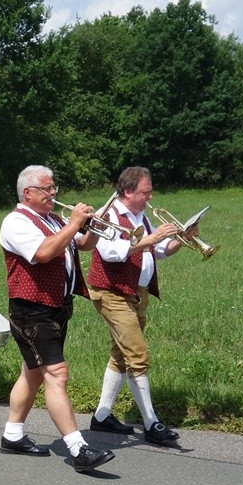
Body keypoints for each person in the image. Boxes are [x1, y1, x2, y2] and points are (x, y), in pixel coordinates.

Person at [0, 165, 114, 473]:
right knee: (56, 374)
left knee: (33, 373)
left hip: (57, 304)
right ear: (28, 193)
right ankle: (78, 449)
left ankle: (12, 435)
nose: (53, 194)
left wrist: (94, 226)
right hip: (31, 308)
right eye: (47, 189)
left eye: (53, 188)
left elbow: (81, 245)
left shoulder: (52, 219)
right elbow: (44, 252)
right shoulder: (15, 221)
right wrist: (74, 222)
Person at [86, 166, 186, 447]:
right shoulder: (107, 214)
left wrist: (180, 238)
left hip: (136, 292)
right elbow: (110, 252)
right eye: (146, 191)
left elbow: (161, 251)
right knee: (137, 355)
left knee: (120, 355)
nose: (150, 196)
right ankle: (151, 423)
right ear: (128, 192)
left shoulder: (140, 215)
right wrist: (149, 240)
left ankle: (102, 416)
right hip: (111, 292)